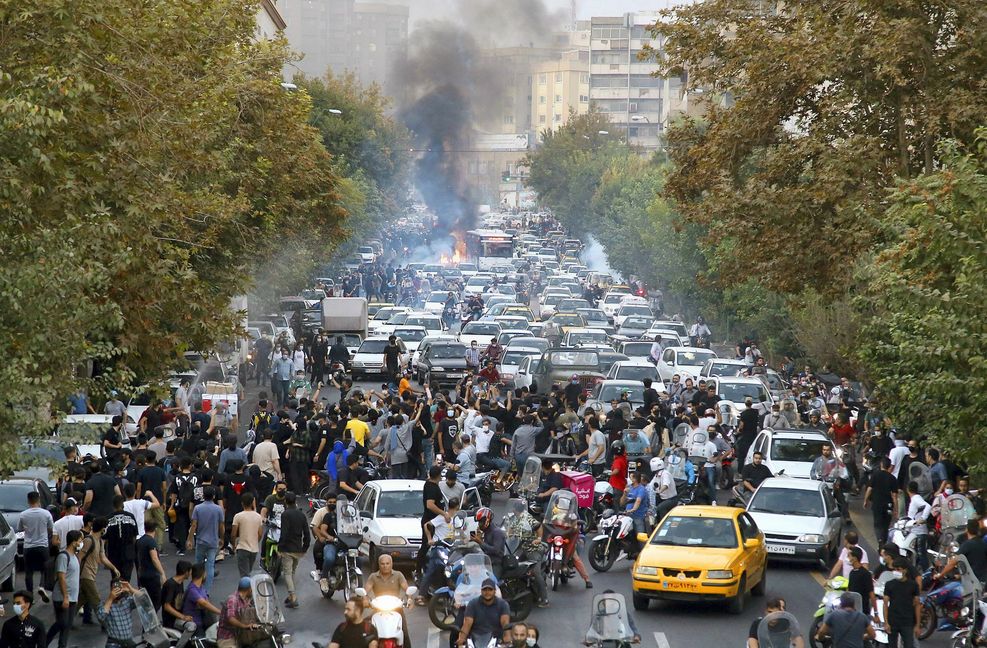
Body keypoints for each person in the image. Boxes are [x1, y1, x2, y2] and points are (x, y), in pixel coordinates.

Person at [78, 516, 118, 625]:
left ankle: (65, 619)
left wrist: (113, 568)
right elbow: (79, 557)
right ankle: (105, 622)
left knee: (80, 600)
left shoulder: (99, 541)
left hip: (91, 574)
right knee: (96, 600)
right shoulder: (89, 540)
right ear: (102, 529)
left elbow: (103, 558)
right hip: (86, 575)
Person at [46, 529, 81, 648]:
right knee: (62, 623)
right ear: (74, 542)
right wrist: (65, 596)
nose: (81, 543)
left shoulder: (74, 556)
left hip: (72, 597)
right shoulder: (64, 556)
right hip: (62, 597)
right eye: (79, 540)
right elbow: (61, 577)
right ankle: (44, 642)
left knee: (67, 625)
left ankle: (62, 645)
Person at [188, 486, 224, 593]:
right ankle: (206, 591)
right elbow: (221, 526)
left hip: (200, 540)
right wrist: (221, 538)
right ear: (213, 496)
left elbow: (194, 525)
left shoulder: (197, 508)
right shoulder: (218, 509)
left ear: (203, 496)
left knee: (198, 564)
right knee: (210, 566)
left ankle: (196, 587)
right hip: (213, 541)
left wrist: (190, 539)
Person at [455, 578, 510, 648]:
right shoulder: (472, 604)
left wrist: (508, 640)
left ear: (495, 591)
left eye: (490, 590)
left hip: (496, 639)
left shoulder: (503, 604)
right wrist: (461, 638)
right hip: (475, 638)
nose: (487, 592)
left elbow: (505, 624)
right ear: (481, 591)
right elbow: (467, 624)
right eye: (485, 590)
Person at [278, 492, 310, 608]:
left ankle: (293, 597)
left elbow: (284, 533)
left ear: (285, 501)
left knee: (287, 573)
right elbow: (306, 532)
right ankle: (291, 596)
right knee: (292, 572)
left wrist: (280, 548)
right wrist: (305, 547)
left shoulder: (285, 515)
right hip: (298, 548)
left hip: (287, 548)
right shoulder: (301, 515)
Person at [17, 491, 53, 596]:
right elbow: (51, 528)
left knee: (29, 571)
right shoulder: (46, 513)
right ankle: (41, 586)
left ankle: (29, 595)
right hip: (43, 545)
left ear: (28, 501)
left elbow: (20, 529)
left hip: (28, 546)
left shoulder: (23, 514)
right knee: (45, 567)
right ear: (39, 500)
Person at [882, 558, 921, 648]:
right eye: (894, 569)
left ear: (905, 570)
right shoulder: (889, 584)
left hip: (907, 622)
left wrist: (917, 625)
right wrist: (886, 622)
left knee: (909, 645)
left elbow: (917, 605)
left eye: (898, 569)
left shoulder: (913, 585)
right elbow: (885, 604)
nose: (896, 571)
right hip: (893, 621)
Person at [217, 577, 263, 648]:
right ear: (249, 589)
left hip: (242, 636)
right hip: (228, 637)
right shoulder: (232, 599)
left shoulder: (247, 600)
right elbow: (231, 619)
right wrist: (245, 626)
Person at [863, 457, 899, 545]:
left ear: (881, 464)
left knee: (877, 524)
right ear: (889, 466)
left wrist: (865, 500)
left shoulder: (875, 475)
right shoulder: (892, 478)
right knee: (886, 525)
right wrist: (896, 509)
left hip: (877, 504)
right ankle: (884, 540)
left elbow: (869, 489)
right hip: (888, 505)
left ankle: (880, 540)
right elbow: (894, 496)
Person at [96, 580, 140, 648]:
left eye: (119, 587)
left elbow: (144, 599)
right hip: (114, 642)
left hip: (128, 641)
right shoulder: (105, 604)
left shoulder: (127, 601)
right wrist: (110, 599)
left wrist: (130, 589)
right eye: (115, 588)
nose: (118, 590)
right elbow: (101, 617)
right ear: (111, 589)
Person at [104, 495, 138, 582]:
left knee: (116, 578)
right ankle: (126, 594)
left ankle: (116, 594)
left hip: (114, 553)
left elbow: (104, 538)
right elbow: (135, 536)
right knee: (126, 579)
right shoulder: (130, 517)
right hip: (128, 552)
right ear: (123, 504)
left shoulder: (108, 519)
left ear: (113, 506)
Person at [182, 564, 222, 636]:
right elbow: (204, 603)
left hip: (204, 622)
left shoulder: (201, 587)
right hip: (195, 623)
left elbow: (207, 602)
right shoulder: (192, 590)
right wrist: (220, 612)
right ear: (203, 574)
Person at [232, 492, 264, 578]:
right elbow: (260, 533)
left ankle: (246, 590)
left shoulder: (238, 516)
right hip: (254, 549)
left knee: (244, 575)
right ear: (252, 503)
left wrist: (234, 545)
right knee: (248, 571)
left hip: (242, 548)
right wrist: (255, 541)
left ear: (242, 503)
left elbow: (233, 534)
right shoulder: (258, 517)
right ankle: (247, 589)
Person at [136, 520, 167, 608]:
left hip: (142, 574)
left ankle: (150, 619)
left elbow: (138, 558)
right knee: (156, 600)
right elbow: (154, 558)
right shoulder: (151, 542)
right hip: (152, 575)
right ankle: (153, 620)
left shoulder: (140, 541)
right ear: (155, 529)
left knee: (147, 599)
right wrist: (162, 573)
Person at [161, 560, 193, 630]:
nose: (191, 574)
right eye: (190, 571)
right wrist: (183, 617)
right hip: (171, 620)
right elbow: (167, 606)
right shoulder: (171, 585)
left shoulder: (180, 582)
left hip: (177, 617)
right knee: (192, 626)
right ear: (186, 572)